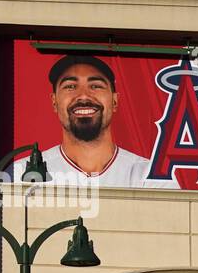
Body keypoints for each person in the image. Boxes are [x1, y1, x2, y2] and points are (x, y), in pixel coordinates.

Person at [19, 54, 148, 187]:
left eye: (95, 86)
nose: (84, 96)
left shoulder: (146, 175)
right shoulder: (20, 174)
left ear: (114, 101)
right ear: (54, 102)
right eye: (70, 86)